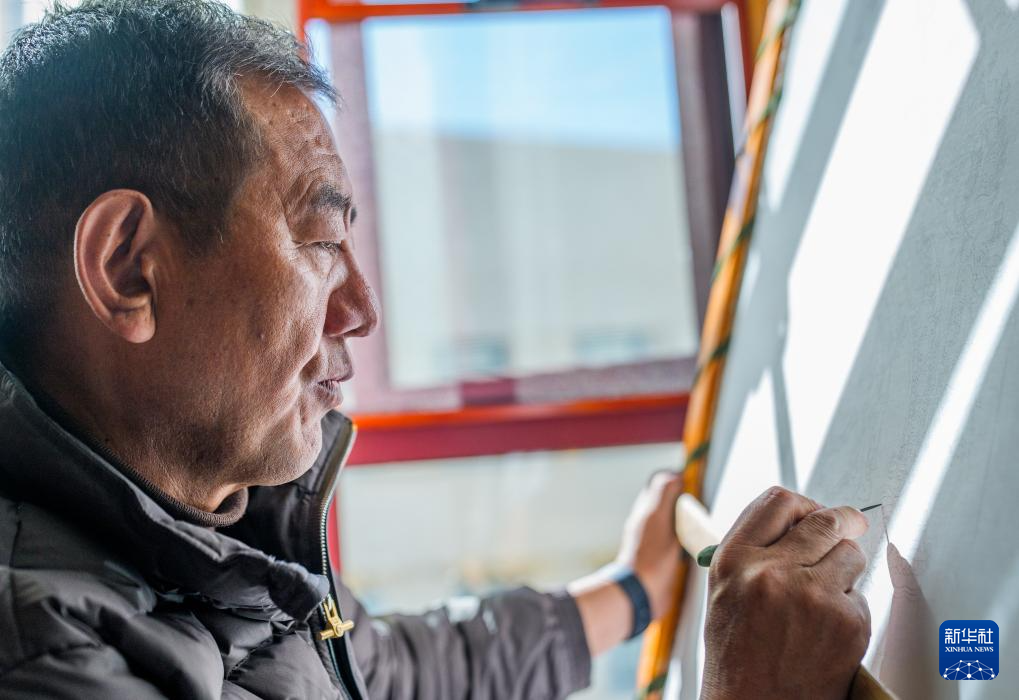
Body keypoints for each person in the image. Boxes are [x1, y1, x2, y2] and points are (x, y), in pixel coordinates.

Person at [0, 2, 871, 698]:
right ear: (128, 268)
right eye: (320, 242)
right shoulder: (44, 653)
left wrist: (634, 589)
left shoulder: (216, 545)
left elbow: (389, 669)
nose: (361, 311)